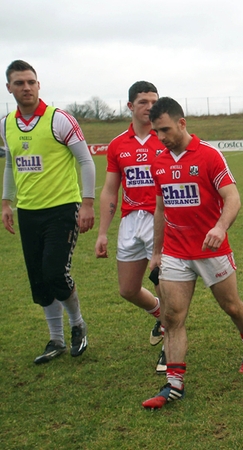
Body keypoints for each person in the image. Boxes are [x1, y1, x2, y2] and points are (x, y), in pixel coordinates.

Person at [142, 97, 243, 410]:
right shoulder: (159, 161)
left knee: (232, 307)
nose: (161, 137)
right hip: (175, 251)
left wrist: (220, 227)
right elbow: (160, 208)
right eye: (156, 132)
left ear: (182, 123)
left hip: (211, 250)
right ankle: (174, 384)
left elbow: (233, 198)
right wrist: (156, 251)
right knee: (172, 316)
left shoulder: (209, 155)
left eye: (165, 129)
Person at [2, 59, 95, 364]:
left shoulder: (60, 120)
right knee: (39, 281)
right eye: (19, 83)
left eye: (31, 82)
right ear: (9, 88)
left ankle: (78, 324)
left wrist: (87, 203)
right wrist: (6, 202)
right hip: (28, 212)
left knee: (55, 273)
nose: (26, 87)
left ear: (39, 84)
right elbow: (10, 164)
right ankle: (56, 340)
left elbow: (86, 161)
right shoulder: (6, 123)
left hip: (62, 209)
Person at [95, 81, 166, 372]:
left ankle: (171, 347)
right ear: (130, 106)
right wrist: (102, 232)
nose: (149, 107)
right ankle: (161, 315)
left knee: (164, 285)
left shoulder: (166, 137)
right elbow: (110, 190)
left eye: (154, 102)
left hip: (161, 220)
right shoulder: (118, 145)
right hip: (130, 221)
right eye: (143, 102)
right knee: (127, 289)